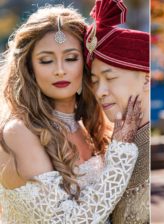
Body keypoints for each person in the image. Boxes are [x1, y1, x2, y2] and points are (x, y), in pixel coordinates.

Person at [0, 5, 142, 223]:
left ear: (84, 65)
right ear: (29, 68)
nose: (60, 69)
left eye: (71, 58)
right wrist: (121, 154)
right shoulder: (20, 132)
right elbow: (68, 220)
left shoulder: (91, 126)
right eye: (46, 60)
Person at [84, 0, 150, 223]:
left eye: (110, 77)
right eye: (94, 81)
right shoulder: (109, 143)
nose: (100, 91)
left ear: (147, 78)